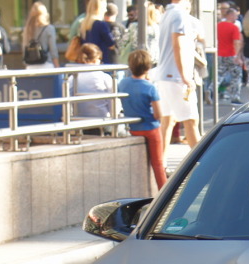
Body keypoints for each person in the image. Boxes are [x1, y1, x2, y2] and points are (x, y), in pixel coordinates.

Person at [155, 0, 201, 147]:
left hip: (165, 74)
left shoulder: (167, 14)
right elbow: (178, 45)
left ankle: (161, 165)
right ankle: (201, 164)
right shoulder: (179, 14)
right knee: (191, 120)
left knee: (167, 121)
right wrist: (185, 76)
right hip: (176, 76)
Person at [120, 48, 166, 191]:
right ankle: (163, 191)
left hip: (133, 128)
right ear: (148, 67)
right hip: (150, 128)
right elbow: (158, 114)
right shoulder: (150, 87)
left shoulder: (123, 83)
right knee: (158, 163)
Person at [72, 43, 114, 118]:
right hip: (102, 120)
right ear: (96, 59)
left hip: (78, 121)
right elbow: (114, 106)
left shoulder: (72, 78)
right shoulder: (104, 77)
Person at [215, 6, 243, 102]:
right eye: (235, 15)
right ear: (230, 15)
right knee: (237, 75)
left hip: (219, 54)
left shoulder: (217, 25)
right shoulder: (234, 27)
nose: (236, 18)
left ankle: (211, 90)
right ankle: (234, 96)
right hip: (231, 54)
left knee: (219, 74)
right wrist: (237, 56)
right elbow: (236, 42)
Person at [77, 0, 116, 67]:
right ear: (100, 9)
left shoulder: (83, 24)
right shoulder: (101, 24)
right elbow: (111, 44)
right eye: (104, 7)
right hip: (100, 60)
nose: (106, 10)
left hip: (86, 61)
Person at [22, 1, 58, 68]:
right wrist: (57, 67)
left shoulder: (27, 29)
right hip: (46, 64)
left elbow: (24, 49)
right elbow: (53, 50)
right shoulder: (49, 29)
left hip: (30, 66)